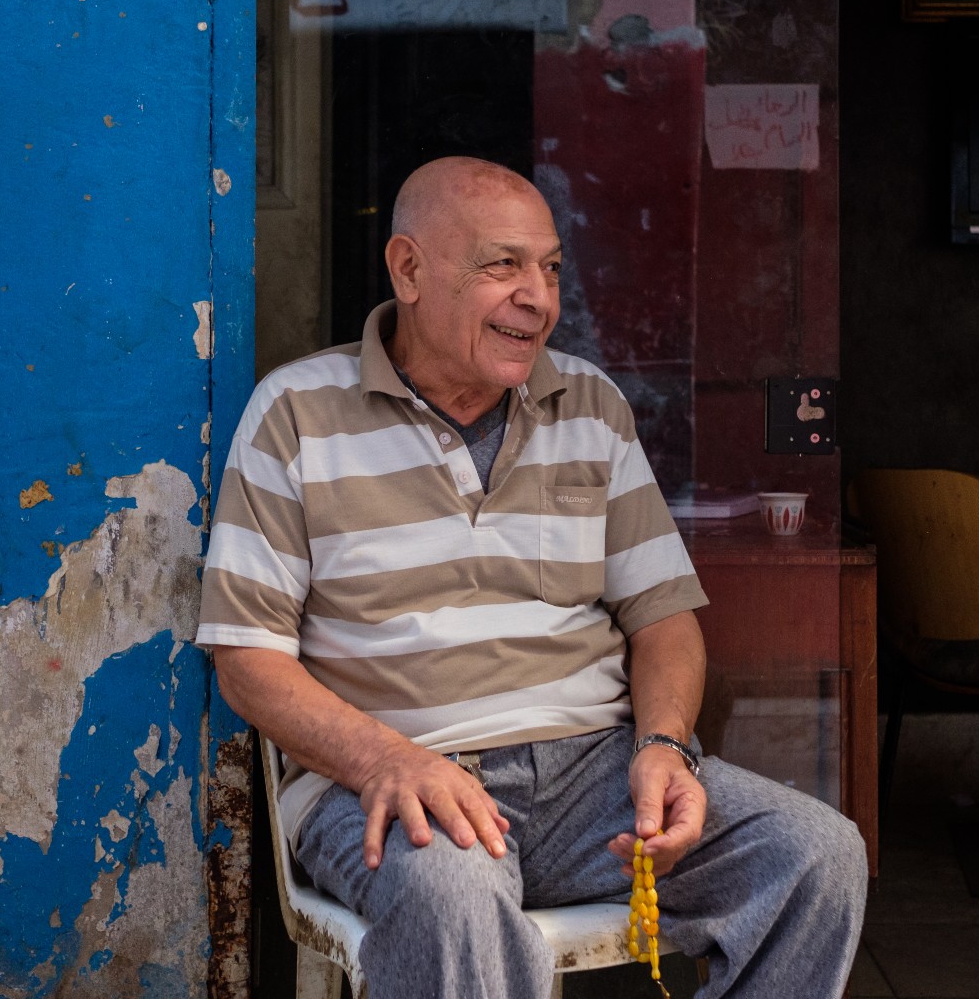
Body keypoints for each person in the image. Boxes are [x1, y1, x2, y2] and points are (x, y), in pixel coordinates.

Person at [197, 157, 866, 997]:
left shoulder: (590, 404)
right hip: (398, 775)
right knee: (451, 896)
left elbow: (663, 618)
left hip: (595, 774)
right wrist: (384, 760)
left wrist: (664, 745)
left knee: (814, 854)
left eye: (550, 268)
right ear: (408, 270)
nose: (539, 298)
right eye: (503, 265)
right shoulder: (296, 413)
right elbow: (245, 658)